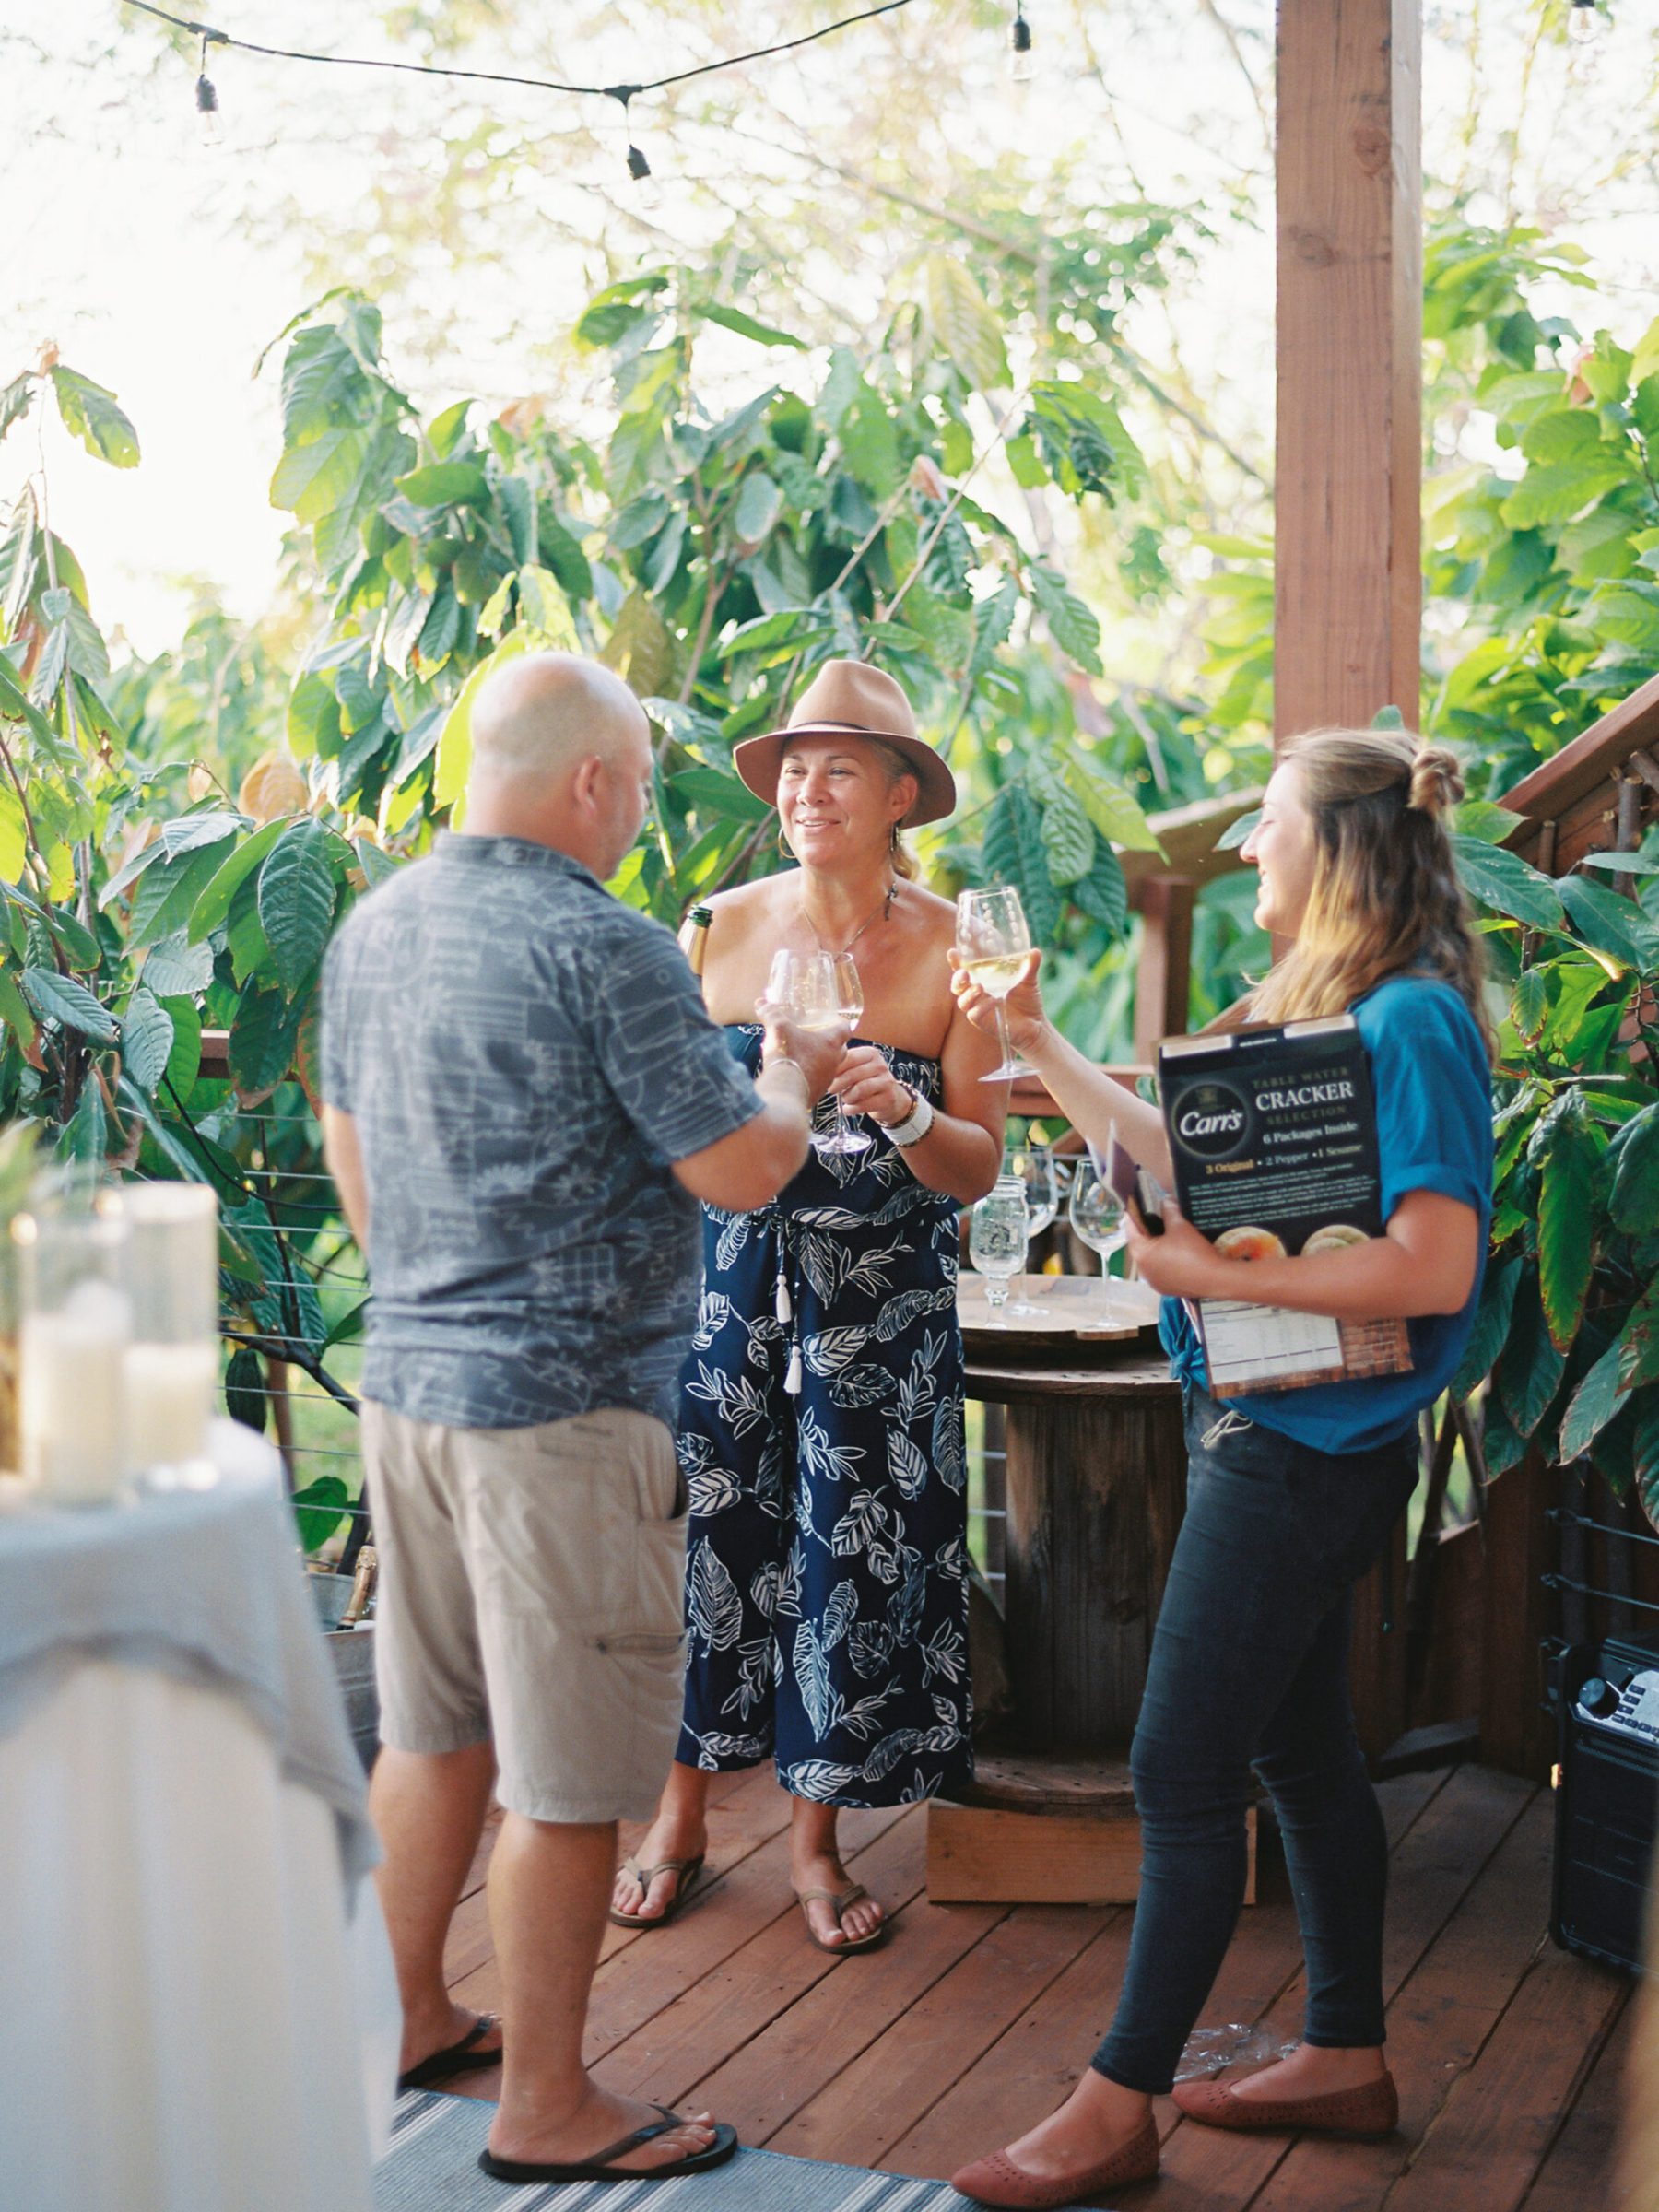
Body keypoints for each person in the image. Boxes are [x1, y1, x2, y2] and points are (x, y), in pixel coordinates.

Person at [318, 652, 847, 2188]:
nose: (639, 816)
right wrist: (794, 1079)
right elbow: (742, 1170)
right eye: (640, 788)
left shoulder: (373, 925)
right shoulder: (605, 946)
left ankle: (406, 2015)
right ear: (594, 784)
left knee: (432, 1733)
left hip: (410, 1395)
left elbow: (349, 1161)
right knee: (567, 1780)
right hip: (563, 1423)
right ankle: (546, 2108)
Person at [947, 726, 1495, 2208]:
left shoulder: (1411, 1024)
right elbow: (1180, 1163)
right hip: (1263, 1426)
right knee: (1294, 1751)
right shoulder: (1308, 1007)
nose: (1245, 848)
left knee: (1176, 1766)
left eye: (1266, 824)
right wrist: (1040, 1042)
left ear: (1338, 850)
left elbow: (1434, 1266)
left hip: (1310, 1450)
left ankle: (1118, 2103)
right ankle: (1345, 2055)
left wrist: (1193, 1272)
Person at [610, 660, 1005, 1954]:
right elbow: (670, 1130)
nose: (805, 785)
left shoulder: (959, 949)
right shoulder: (716, 925)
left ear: (902, 795)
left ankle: (817, 1841)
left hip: (880, 1311)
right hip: (726, 1297)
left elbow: (981, 1168)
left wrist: (905, 1109)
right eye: (793, 763)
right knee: (708, 1552)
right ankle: (679, 1816)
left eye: (839, 764)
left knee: (847, 1559)